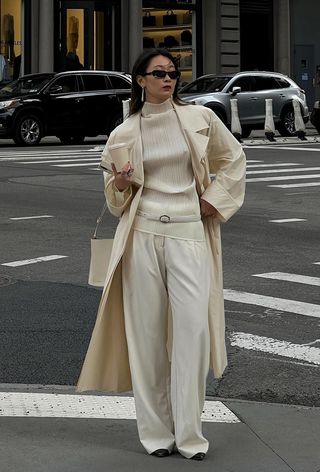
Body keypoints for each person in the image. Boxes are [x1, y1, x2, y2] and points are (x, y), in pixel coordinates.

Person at [77, 48, 246, 460]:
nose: (168, 79)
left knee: (192, 332)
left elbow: (234, 159)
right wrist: (119, 183)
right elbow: (117, 202)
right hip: (142, 236)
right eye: (159, 73)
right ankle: (156, 435)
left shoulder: (200, 119)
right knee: (147, 337)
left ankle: (191, 436)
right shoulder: (124, 133)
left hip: (189, 233)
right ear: (141, 80)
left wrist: (213, 199)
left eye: (172, 73)